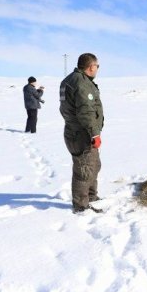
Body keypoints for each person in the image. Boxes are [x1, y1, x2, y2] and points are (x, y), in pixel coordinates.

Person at [59, 53, 104, 213]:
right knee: (84, 170)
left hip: (76, 131)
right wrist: (94, 134)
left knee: (94, 165)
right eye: (97, 66)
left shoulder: (69, 80)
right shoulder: (81, 83)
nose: (97, 69)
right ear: (91, 67)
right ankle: (80, 205)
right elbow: (86, 112)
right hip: (82, 134)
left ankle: (91, 195)